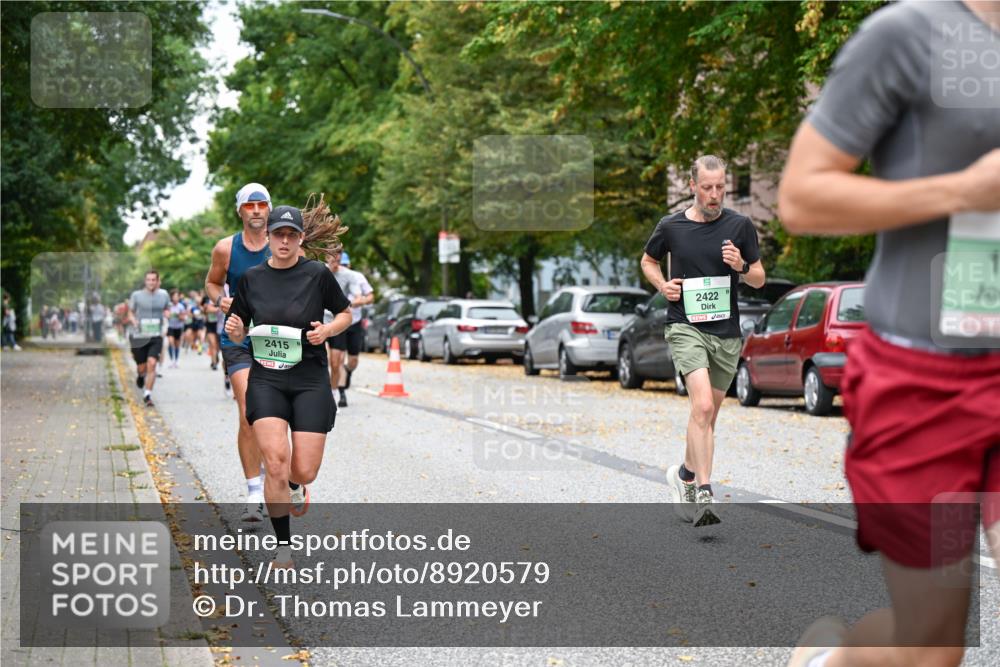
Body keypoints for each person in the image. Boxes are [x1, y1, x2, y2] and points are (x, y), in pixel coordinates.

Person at [778, 2, 1000, 666]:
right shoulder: (910, 33)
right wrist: (961, 191)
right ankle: (832, 661)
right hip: (922, 383)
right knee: (930, 649)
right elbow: (800, 197)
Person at [640, 154, 765, 527]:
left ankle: (683, 476)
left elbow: (759, 277)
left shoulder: (740, 226)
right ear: (692, 186)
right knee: (703, 407)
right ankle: (705, 493)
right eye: (707, 188)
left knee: (706, 418)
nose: (715, 195)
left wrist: (741, 265)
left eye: (721, 188)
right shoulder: (671, 226)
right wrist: (663, 285)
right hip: (685, 327)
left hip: (726, 334)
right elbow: (648, 261)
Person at [225, 205, 351, 567]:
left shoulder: (317, 275)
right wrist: (236, 331)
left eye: (291, 235)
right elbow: (239, 324)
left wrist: (327, 330)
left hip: (310, 378)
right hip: (267, 378)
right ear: (268, 237)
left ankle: (296, 487)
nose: (284, 240)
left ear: (301, 239)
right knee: (276, 463)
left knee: (303, 470)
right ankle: (283, 547)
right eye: (277, 234)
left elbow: (345, 314)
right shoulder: (251, 278)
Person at [205, 182, 274, 523]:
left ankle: (279, 477)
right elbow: (212, 282)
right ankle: (254, 492)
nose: (257, 211)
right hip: (238, 339)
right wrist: (221, 300)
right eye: (250, 206)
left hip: (276, 340)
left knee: (274, 415)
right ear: (240, 210)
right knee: (250, 410)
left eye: (262, 205)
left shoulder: (285, 244)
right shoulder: (225, 249)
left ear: (269, 209)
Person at [325, 249, 374, 408]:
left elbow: (363, 295)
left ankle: (337, 386)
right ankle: (334, 392)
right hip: (321, 320)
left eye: (340, 261)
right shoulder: (318, 271)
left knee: (341, 361)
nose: (337, 264)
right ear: (327, 258)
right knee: (326, 359)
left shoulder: (352, 276)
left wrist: (359, 301)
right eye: (333, 260)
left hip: (345, 321)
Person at [127, 270, 170, 407]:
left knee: (152, 363)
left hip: (156, 335)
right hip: (139, 335)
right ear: (145, 281)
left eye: (153, 280)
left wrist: (167, 315)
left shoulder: (164, 295)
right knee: (142, 367)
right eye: (148, 280)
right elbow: (130, 313)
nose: (151, 282)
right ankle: (140, 375)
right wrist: (134, 321)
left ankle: (147, 395)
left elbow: (166, 309)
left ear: (157, 281)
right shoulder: (137, 295)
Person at [165, 290, 186, 368]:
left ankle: (176, 361)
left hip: (178, 327)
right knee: (170, 342)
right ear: (171, 297)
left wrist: (179, 316)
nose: (175, 298)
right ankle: (171, 360)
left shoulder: (181, 306)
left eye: (177, 296)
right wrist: (168, 315)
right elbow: (166, 315)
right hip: (170, 327)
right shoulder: (169, 306)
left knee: (177, 345)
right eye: (174, 296)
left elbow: (184, 318)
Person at [203, 295, 221, 370]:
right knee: (213, 344)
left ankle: (215, 356)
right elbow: (207, 309)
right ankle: (214, 363)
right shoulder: (208, 299)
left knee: (217, 346)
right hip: (210, 325)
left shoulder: (221, 298)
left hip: (219, 325)